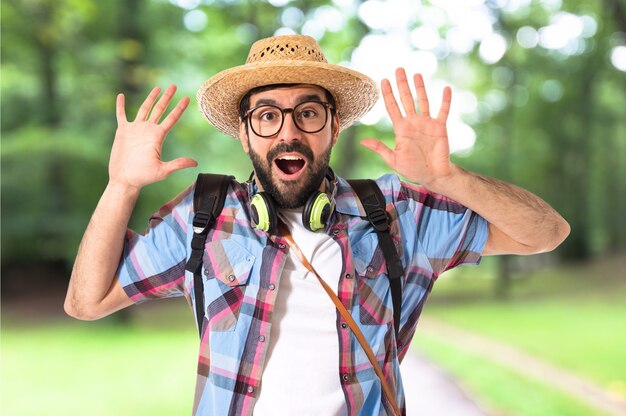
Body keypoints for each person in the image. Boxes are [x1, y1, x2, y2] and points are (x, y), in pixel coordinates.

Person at [64, 34, 569, 415]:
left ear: (333, 126)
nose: (288, 132)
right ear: (244, 134)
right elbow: (86, 301)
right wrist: (121, 187)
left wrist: (447, 177)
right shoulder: (204, 218)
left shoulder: (398, 216)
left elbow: (546, 232)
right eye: (266, 115)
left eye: (308, 112)